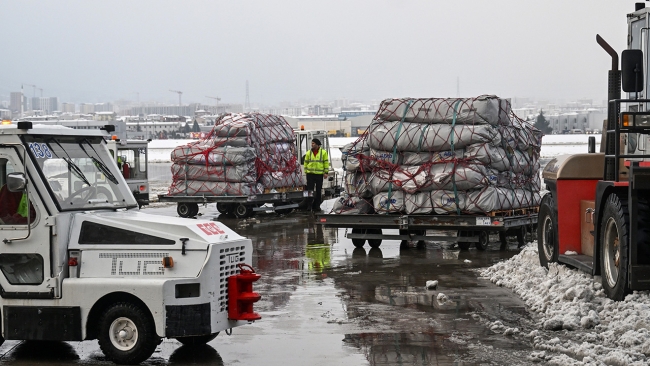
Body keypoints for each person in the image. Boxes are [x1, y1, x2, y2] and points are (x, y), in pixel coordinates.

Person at [304, 138, 329, 212]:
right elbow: (306, 162)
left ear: (317, 145)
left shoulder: (323, 152)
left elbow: (326, 163)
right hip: (310, 174)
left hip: (319, 175)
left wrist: (326, 172)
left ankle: (317, 206)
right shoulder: (308, 152)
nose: (312, 144)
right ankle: (309, 205)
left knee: (319, 191)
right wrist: (306, 171)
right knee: (309, 191)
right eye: (311, 143)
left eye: (313, 143)